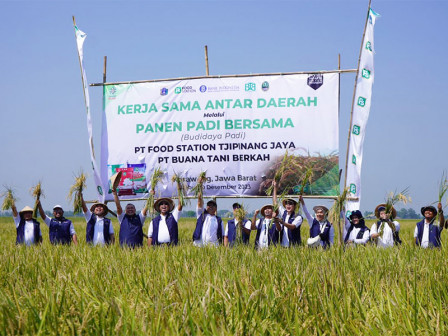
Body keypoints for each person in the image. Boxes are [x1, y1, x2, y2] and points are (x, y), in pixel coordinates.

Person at [273, 181, 303, 247]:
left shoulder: (298, 217)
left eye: (290, 203)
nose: (288, 205)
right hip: (283, 246)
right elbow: (275, 203)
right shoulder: (284, 213)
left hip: (294, 246)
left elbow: (292, 226)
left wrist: (282, 222)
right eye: (286, 203)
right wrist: (275, 188)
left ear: (294, 206)